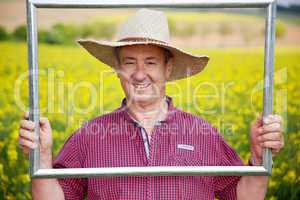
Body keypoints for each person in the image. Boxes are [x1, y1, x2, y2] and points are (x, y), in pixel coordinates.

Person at [18, 9, 284, 200]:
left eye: (151, 62)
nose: (139, 73)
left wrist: (260, 158)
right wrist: (41, 159)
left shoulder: (204, 134)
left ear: (168, 68)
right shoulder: (89, 136)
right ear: (118, 70)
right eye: (129, 62)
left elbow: (239, 195)